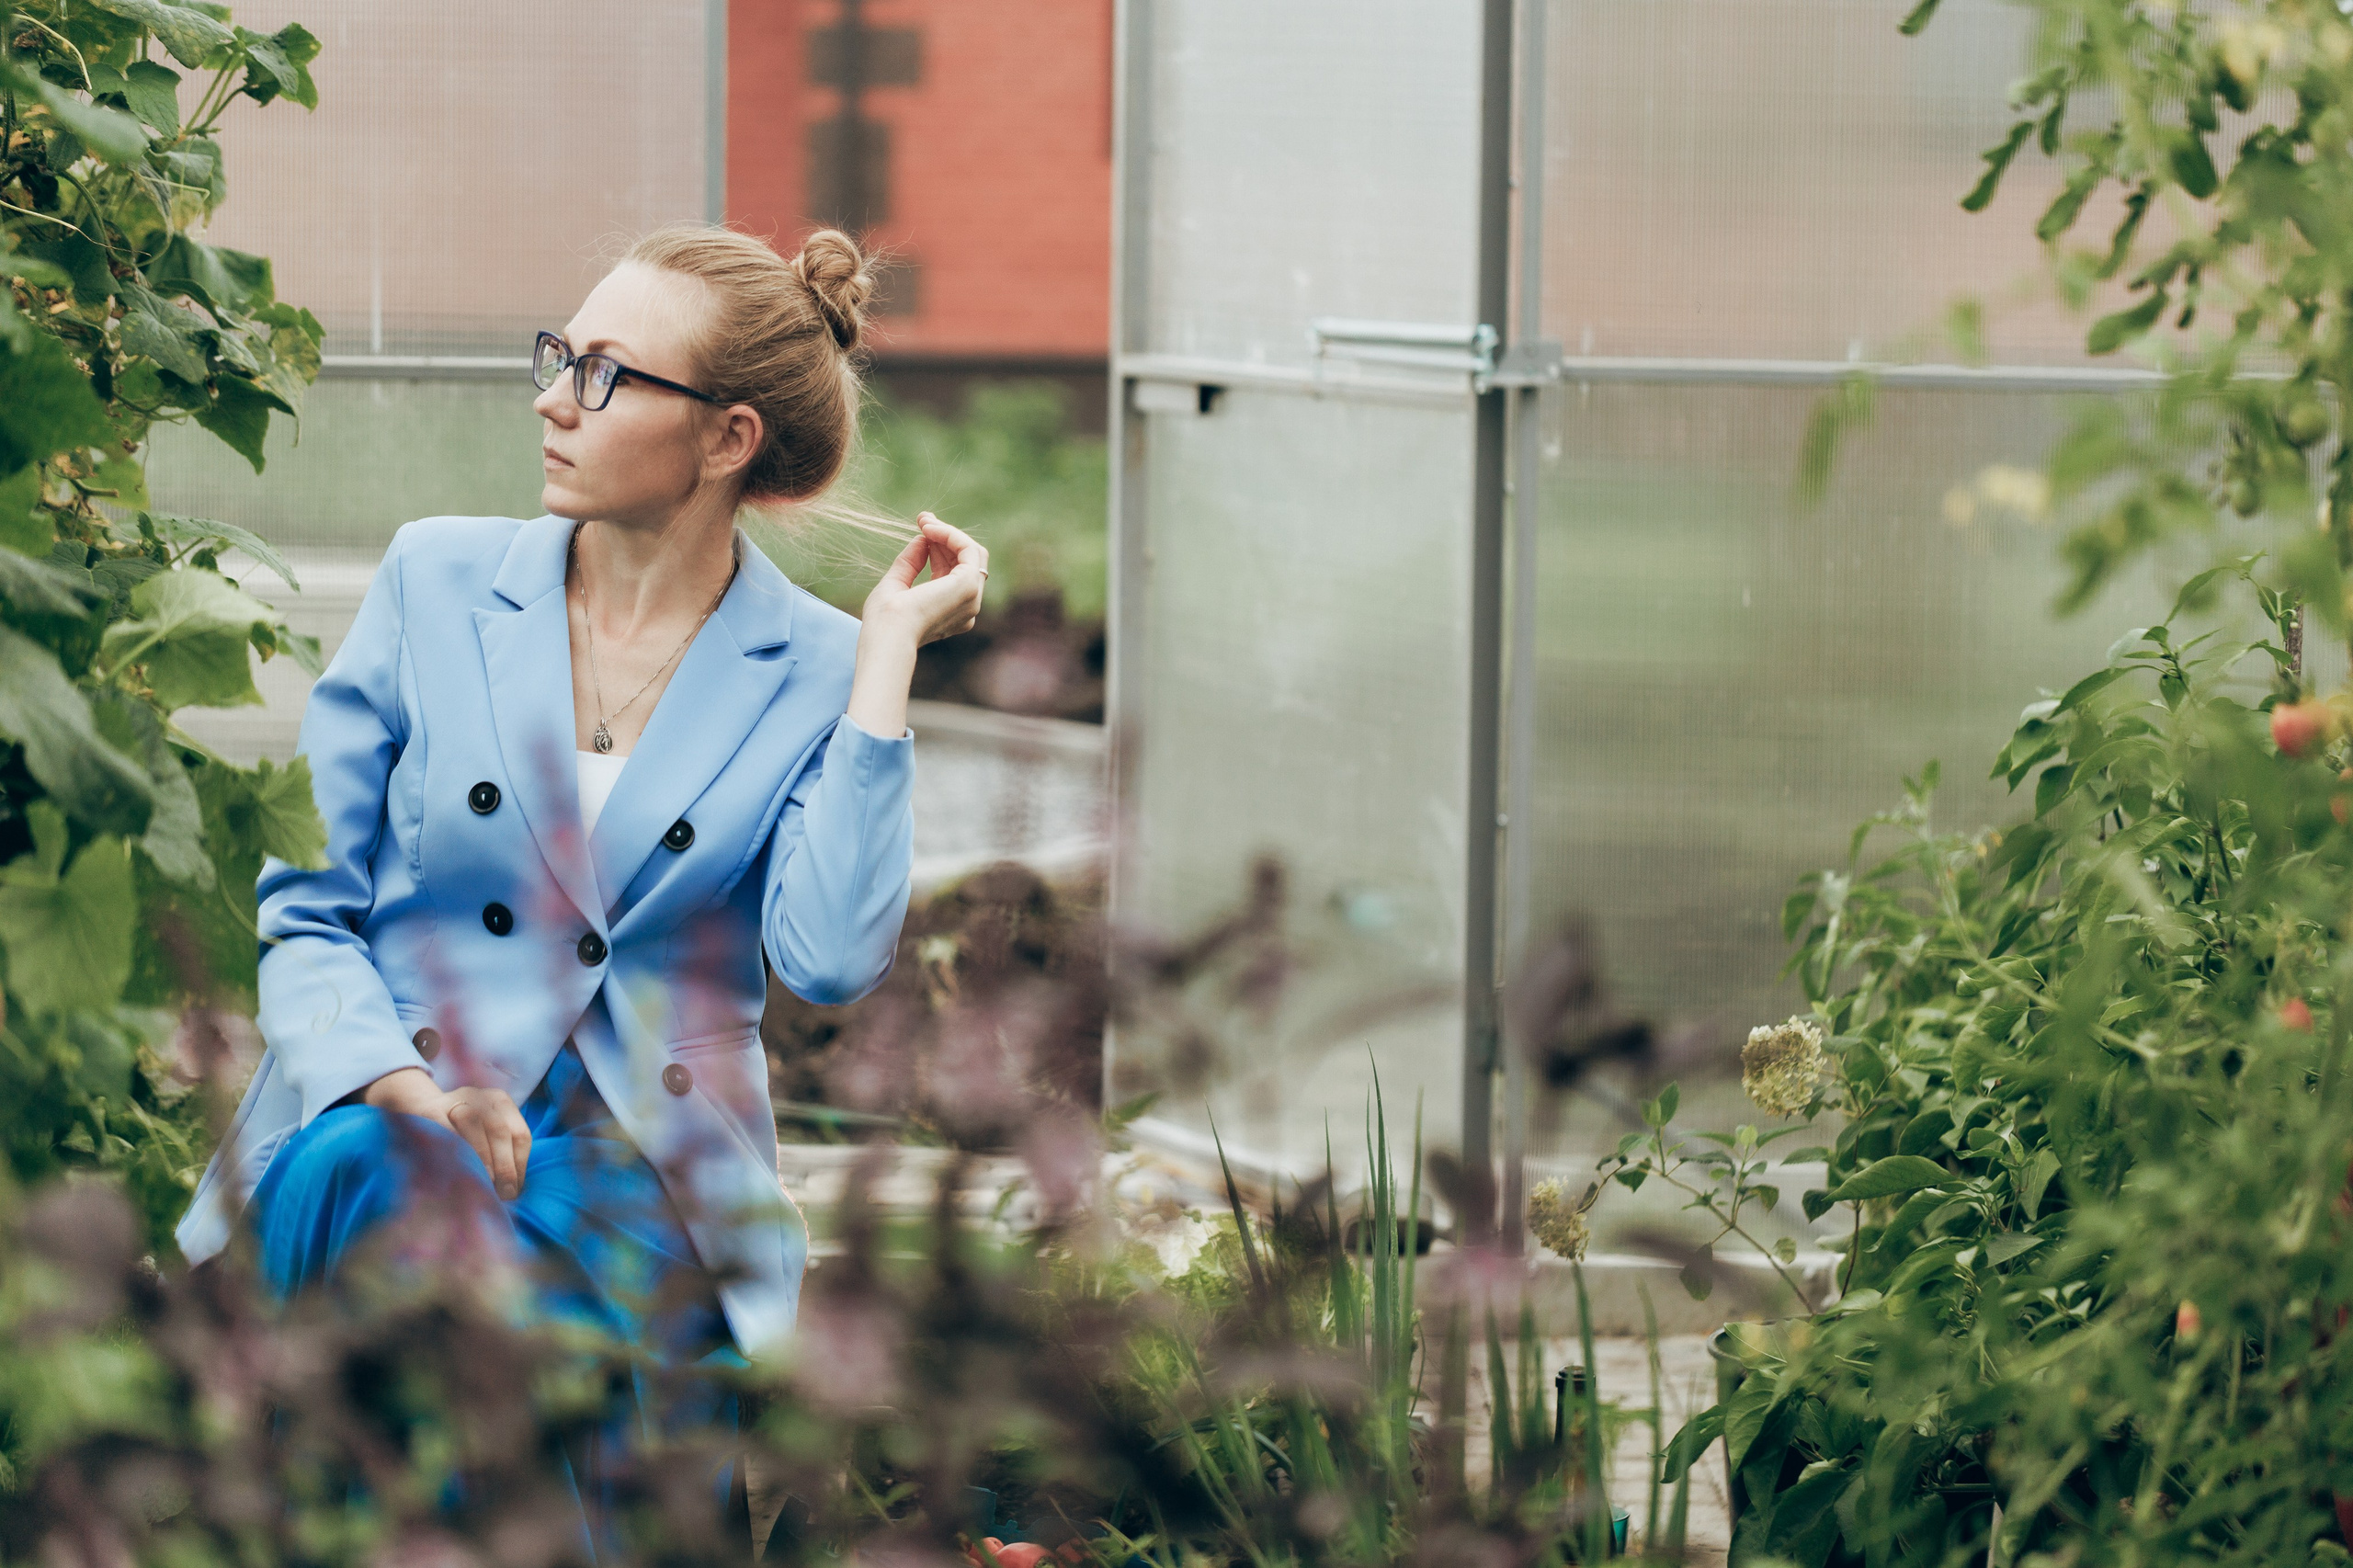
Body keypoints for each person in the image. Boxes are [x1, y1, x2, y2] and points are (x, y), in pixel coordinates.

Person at [173, 223, 985, 1544]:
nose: (552, 398)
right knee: (386, 1190)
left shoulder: (819, 667)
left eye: (605, 373)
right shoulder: (436, 579)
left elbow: (831, 958)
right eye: (560, 354)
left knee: (485, 1296)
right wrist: (402, 1082)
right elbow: (305, 904)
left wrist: (884, 663)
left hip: (636, 1172)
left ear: (726, 439)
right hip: (394, 1097)